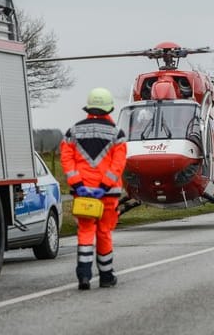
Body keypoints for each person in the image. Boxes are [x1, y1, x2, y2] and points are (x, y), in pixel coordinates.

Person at [60, 88, 127, 290]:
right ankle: (106, 276)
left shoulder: (73, 131)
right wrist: (105, 186)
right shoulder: (117, 134)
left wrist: (79, 185)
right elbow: (117, 165)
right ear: (109, 109)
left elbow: (67, 160)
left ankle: (84, 275)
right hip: (107, 194)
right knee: (104, 232)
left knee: (85, 231)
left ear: (89, 107)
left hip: (83, 194)